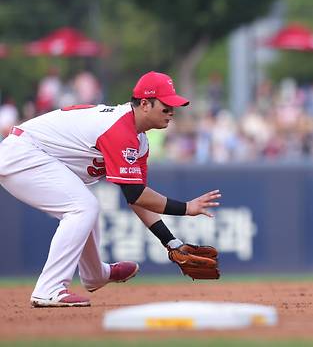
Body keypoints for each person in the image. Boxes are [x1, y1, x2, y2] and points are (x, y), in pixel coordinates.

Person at [0, 71, 221, 307]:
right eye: (166, 106)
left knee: (85, 208)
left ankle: (96, 275)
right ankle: (49, 289)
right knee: (83, 207)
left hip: (38, 155)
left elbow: (137, 198)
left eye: (173, 106)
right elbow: (135, 194)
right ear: (145, 104)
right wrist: (187, 208)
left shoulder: (139, 140)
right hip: (24, 153)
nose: (171, 112)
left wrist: (171, 241)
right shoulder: (119, 129)